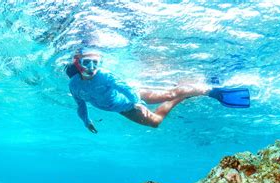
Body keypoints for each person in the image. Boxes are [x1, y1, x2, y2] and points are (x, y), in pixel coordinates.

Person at [67, 48, 249, 133]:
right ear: (78, 63)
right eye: (86, 62)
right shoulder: (73, 85)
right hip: (122, 109)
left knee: (170, 93)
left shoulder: (105, 75)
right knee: (155, 122)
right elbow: (80, 105)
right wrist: (86, 121)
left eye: (95, 63)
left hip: (132, 99)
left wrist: (136, 102)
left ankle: (213, 91)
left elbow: (126, 88)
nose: (91, 67)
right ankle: (187, 91)